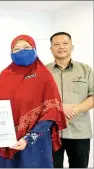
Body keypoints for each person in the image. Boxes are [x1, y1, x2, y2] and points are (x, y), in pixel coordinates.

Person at [0, 35, 67, 168]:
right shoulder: (6, 75)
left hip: (35, 144)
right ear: (11, 52)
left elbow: (51, 111)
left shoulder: (44, 76)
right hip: (7, 140)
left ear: (34, 49)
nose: (21, 51)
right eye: (16, 48)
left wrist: (29, 138)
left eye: (26, 47)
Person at [46, 32, 93, 168]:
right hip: (50, 132)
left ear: (72, 47)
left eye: (65, 43)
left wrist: (75, 109)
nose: (61, 47)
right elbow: (37, 100)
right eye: (56, 44)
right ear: (51, 49)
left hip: (79, 131)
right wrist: (60, 108)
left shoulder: (86, 70)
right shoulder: (43, 71)